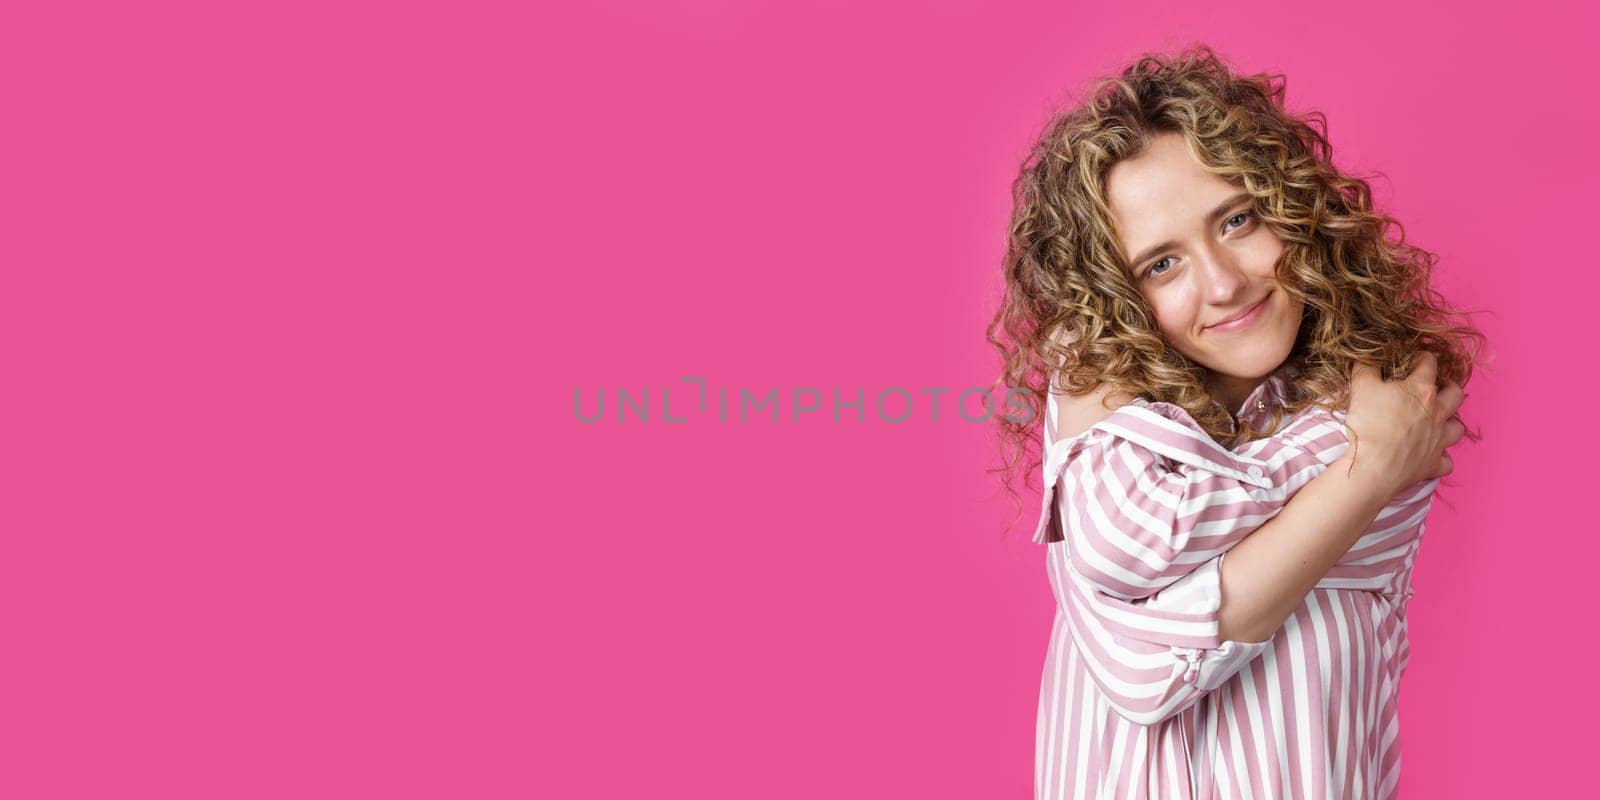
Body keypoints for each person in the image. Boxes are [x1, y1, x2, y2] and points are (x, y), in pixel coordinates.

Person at [984, 46, 1487, 798]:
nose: (1223, 283)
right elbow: (1141, 592)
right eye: (1161, 264)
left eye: (1238, 219)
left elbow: (1153, 659)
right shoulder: (1380, 430)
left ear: (1294, 207)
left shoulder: (1384, 388)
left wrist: (1370, 467)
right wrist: (1367, 463)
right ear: (1110, 299)